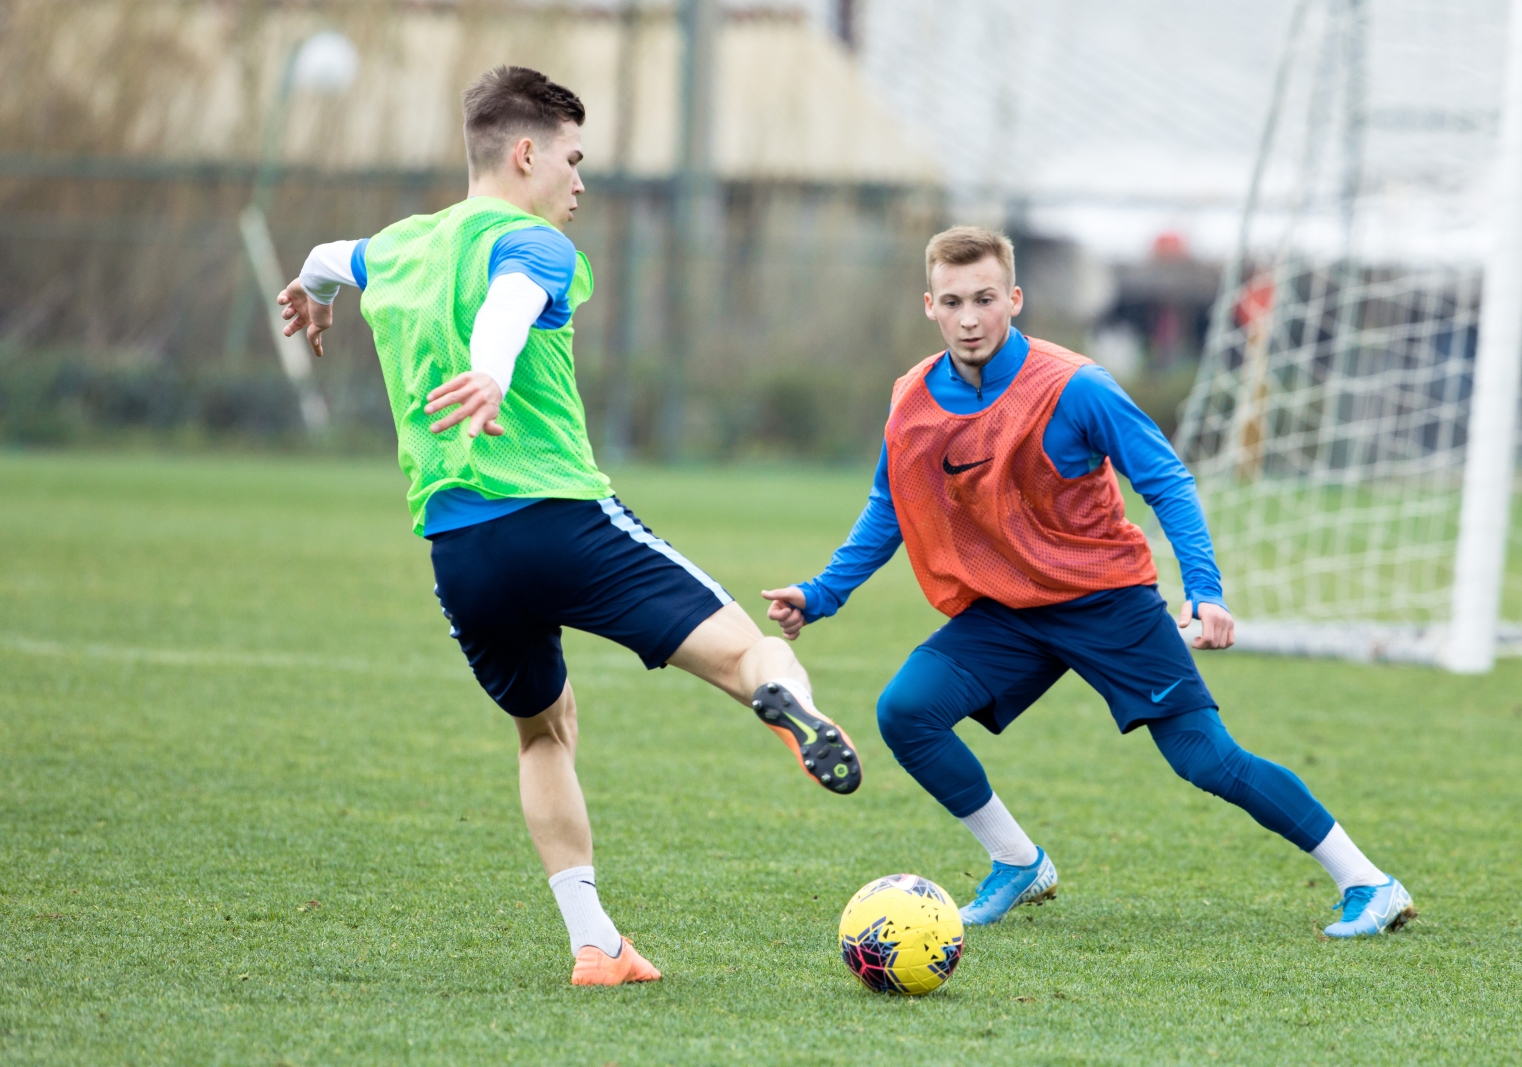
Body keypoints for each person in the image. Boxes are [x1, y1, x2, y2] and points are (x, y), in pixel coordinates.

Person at [276, 66, 861, 986]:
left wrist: (317, 297)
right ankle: (790, 703)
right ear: (524, 154)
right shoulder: (535, 242)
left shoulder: (397, 248)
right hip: (563, 522)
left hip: (462, 549)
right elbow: (509, 302)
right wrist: (494, 369)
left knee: (544, 732)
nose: (580, 182)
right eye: (574, 159)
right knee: (748, 653)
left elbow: (322, 254)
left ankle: (595, 944)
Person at [761, 226, 1414, 939]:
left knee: (1205, 757)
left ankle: (1368, 881)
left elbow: (1165, 480)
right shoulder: (911, 398)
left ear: (1015, 297)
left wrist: (1205, 590)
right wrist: (820, 593)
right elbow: (891, 506)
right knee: (907, 710)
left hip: (1105, 598)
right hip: (1008, 609)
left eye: (985, 298)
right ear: (929, 306)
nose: (971, 318)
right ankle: (1016, 861)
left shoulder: (1075, 386)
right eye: (953, 302)